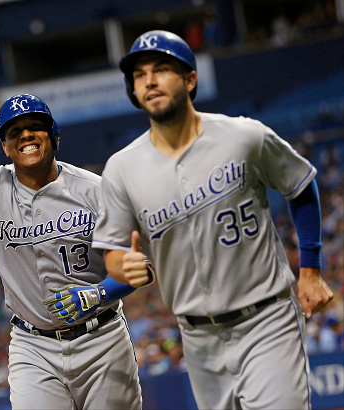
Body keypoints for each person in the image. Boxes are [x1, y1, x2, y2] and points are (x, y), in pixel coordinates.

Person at [92, 30, 334, 409]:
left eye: (161, 69)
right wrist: (123, 267)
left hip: (266, 320)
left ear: (190, 79)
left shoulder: (243, 136)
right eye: (139, 75)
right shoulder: (121, 168)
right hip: (197, 337)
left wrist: (311, 269)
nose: (149, 80)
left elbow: (300, 184)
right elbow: (114, 254)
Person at [0, 48, 143, 409]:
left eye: (35, 126)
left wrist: (98, 294)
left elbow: (138, 266)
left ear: (52, 135)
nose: (26, 135)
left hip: (101, 340)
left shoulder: (95, 189)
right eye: (15, 131)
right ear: (5, 146)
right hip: (33, 346)